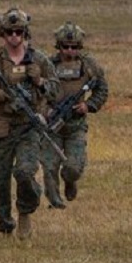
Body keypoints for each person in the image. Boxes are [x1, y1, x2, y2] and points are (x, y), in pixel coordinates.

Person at [0, 7, 58, 238]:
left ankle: (25, 211)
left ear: (25, 32)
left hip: (29, 127)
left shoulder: (39, 59)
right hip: (1, 127)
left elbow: (56, 90)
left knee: (25, 172)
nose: (14, 37)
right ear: (3, 33)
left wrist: (40, 81)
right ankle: (5, 223)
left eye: (19, 32)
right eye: (9, 32)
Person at [39, 21, 108, 209]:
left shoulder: (89, 65)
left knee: (74, 168)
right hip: (52, 126)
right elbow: (37, 93)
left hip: (75, 126)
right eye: (65, 47)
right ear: (58, 46)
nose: (70, 51)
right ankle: (55, 202)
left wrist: (88, 105)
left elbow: (102, 89)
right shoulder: (48, 66)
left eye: (74, 47)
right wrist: (46, 111)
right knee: (49, 166)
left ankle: (69, 180)